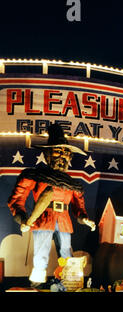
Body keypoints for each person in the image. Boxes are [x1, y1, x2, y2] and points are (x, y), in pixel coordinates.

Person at [7, 123, 96, 287]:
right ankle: (37, 281)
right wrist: (22, 219)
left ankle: (69, 282)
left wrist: (85, 219)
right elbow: (17, 199)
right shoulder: (35, 175)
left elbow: (79, 209)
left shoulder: (73, 184)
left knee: (66, 253)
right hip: (43, 219)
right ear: (47, 154)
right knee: (41, 253)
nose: (62, 156)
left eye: (65, 152)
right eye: (58, 151)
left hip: (64, 222)